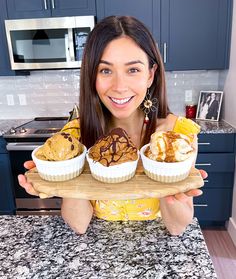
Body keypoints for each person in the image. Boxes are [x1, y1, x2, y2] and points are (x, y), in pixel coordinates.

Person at [18, 16, 206, 236]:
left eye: (133, 70)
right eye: (105, 70)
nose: (119, 87)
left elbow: (176, 227)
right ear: (92, 76)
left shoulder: (177, 137)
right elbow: (79, 225)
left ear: (150, 75)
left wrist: (167, 176)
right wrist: (64, 178)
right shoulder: (75, 137)